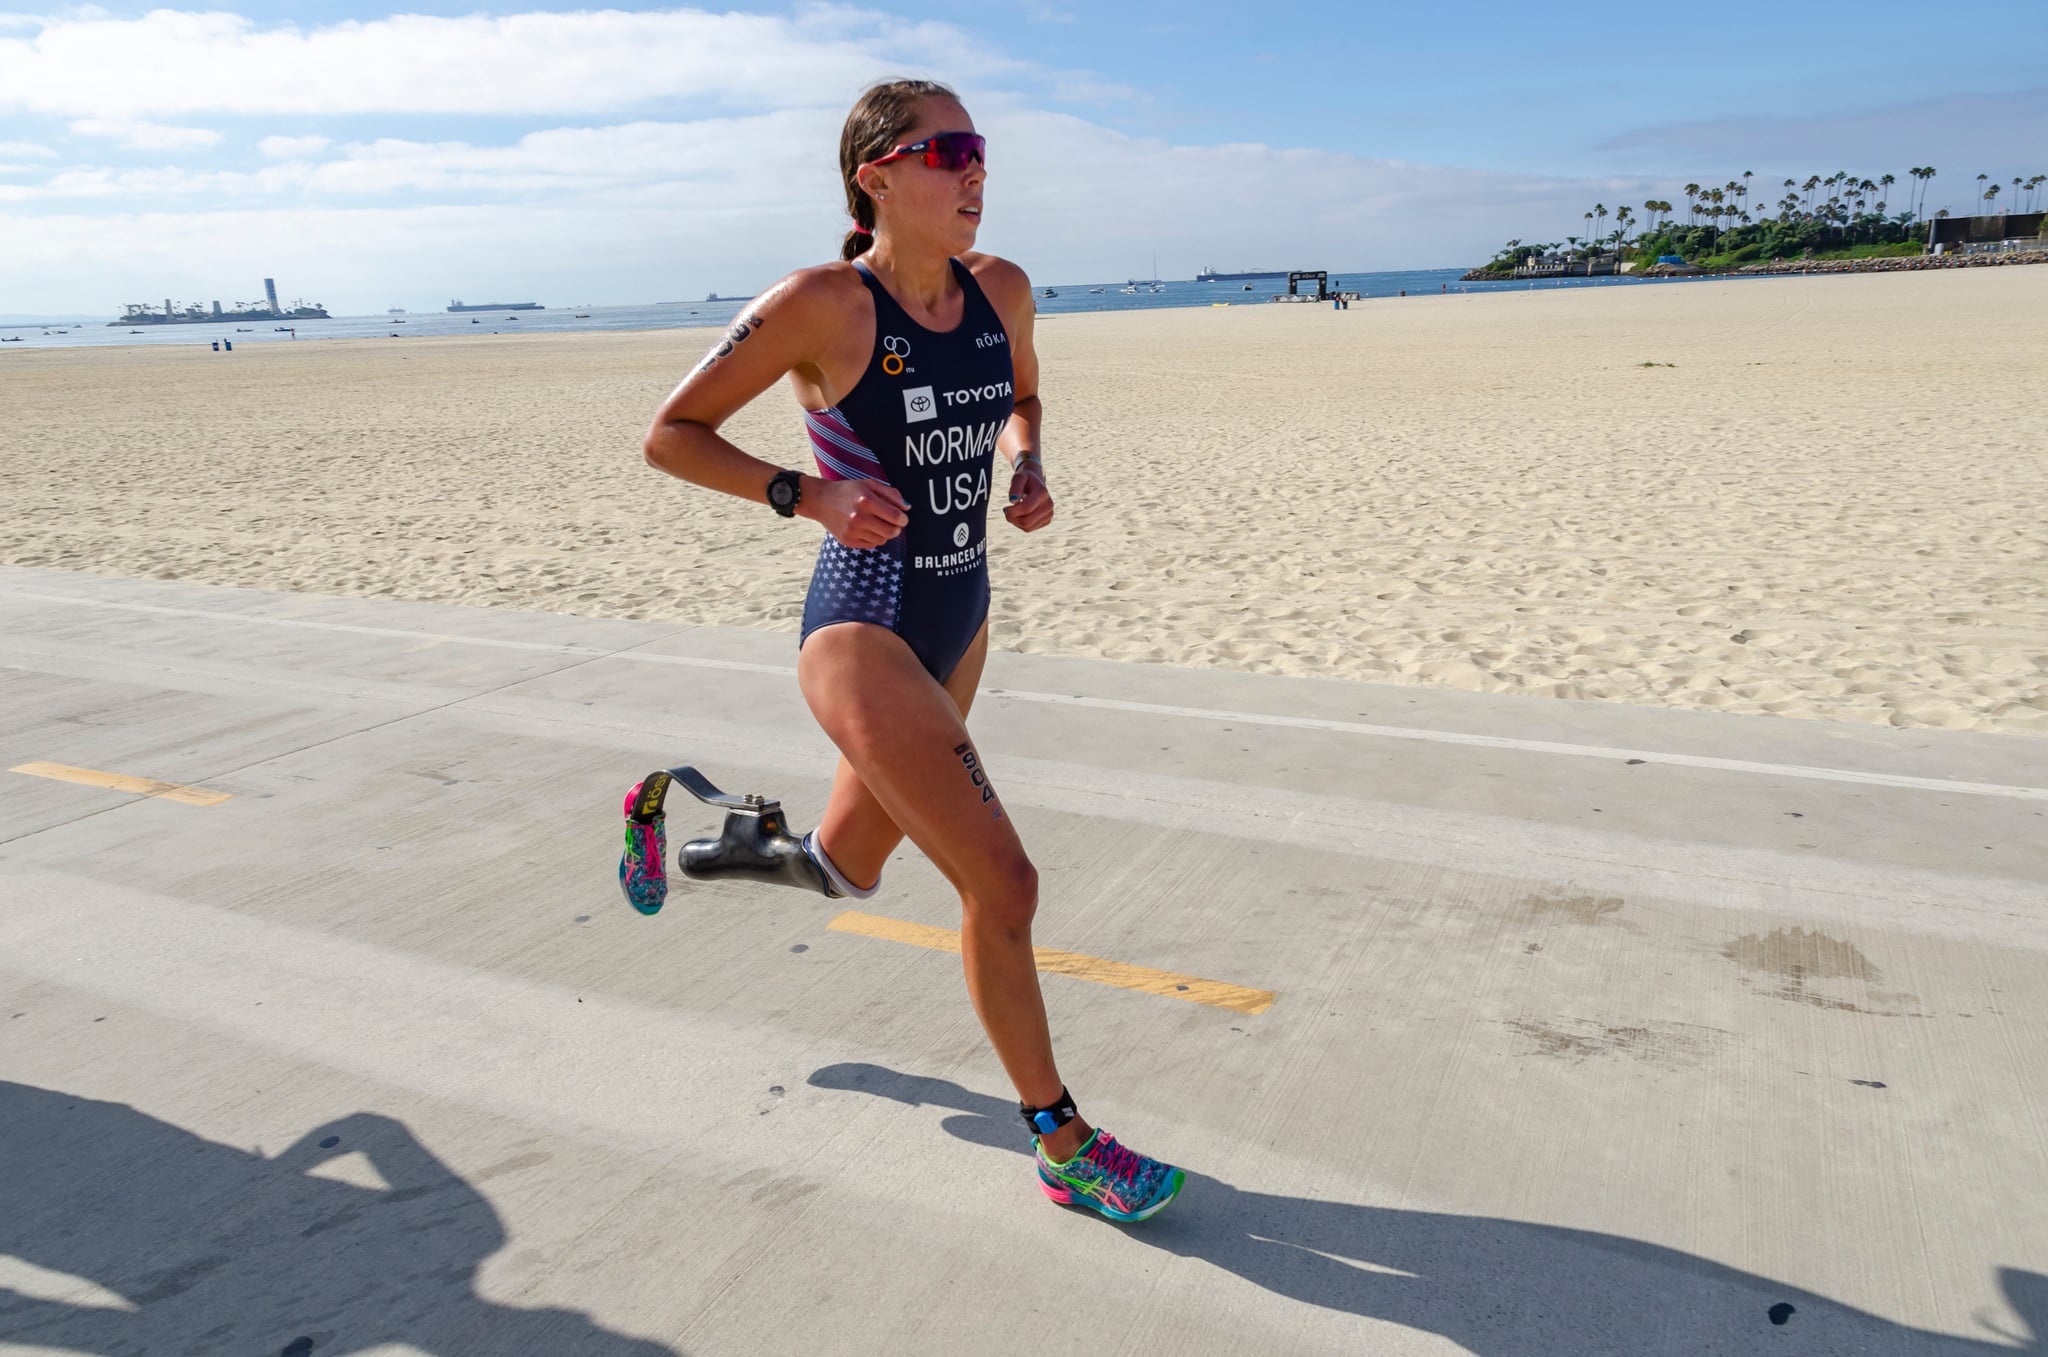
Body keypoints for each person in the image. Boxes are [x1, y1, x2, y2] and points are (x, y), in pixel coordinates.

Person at [622, 78, 1183, 1224]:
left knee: (843, 868)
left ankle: (690, 823)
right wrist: (802, 492)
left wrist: (1026, 463)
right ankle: (1061, 1139)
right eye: (949, 151)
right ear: (875, 176)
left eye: (980, 150)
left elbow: (1022, 394)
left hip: (958, 612)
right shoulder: (821, 304)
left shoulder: (1003, 290)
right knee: (1003, 881)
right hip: (861, 629)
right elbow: (668, 435)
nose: (976, 170)